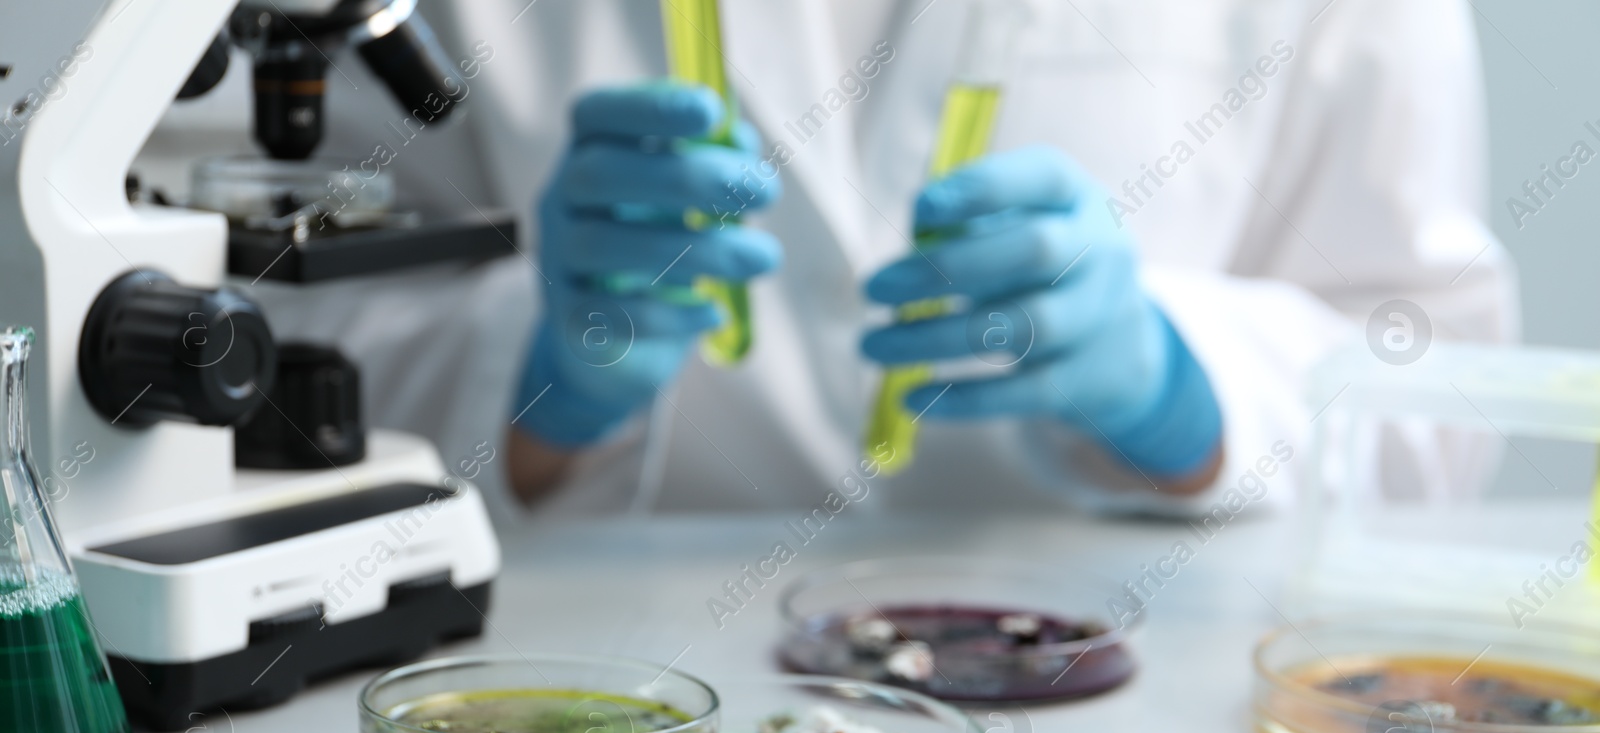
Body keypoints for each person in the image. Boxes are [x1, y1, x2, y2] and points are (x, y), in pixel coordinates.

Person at [152, 0, 1516, 519]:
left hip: (1123, 693)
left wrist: (1188, 384)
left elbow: (1444, 406)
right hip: (578, 706)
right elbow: (242, 338)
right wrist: (533, 376)